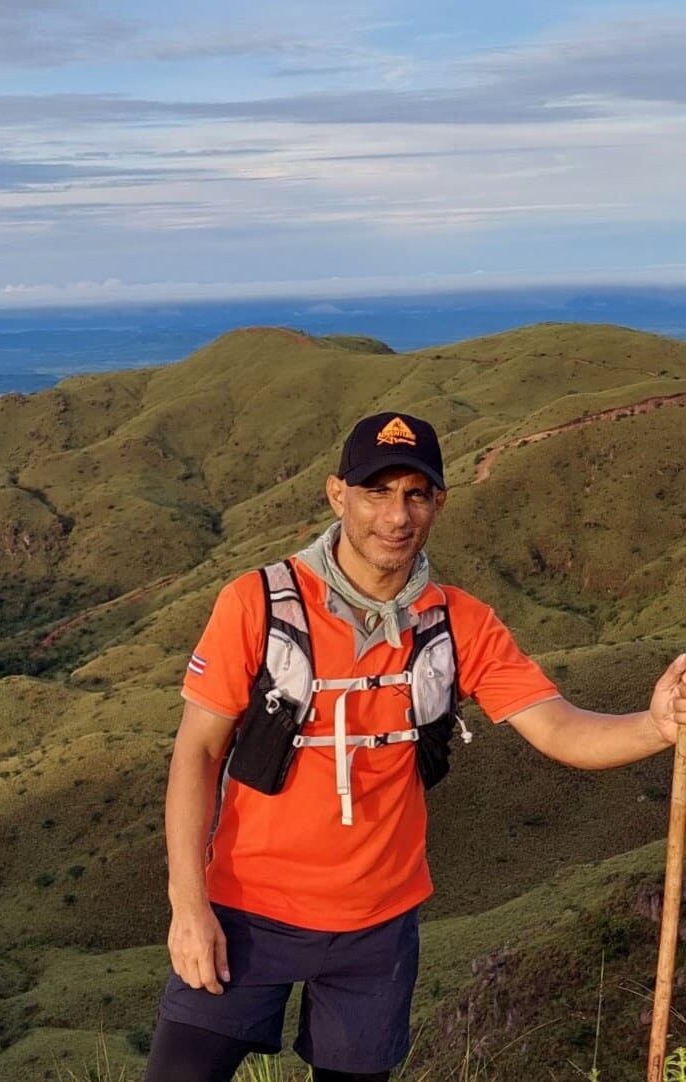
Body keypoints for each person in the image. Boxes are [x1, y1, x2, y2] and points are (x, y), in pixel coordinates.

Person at [143, 411, 686, 1082]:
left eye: (416, 494)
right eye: (377, 491)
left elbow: (556, 726)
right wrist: (189, 907)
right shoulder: (258, 604)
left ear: (439, 503)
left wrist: (655, 727)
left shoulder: (459, 623)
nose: (397, 516)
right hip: (244, 913)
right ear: (337, 494)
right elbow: (196, 753)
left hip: (378, 932)